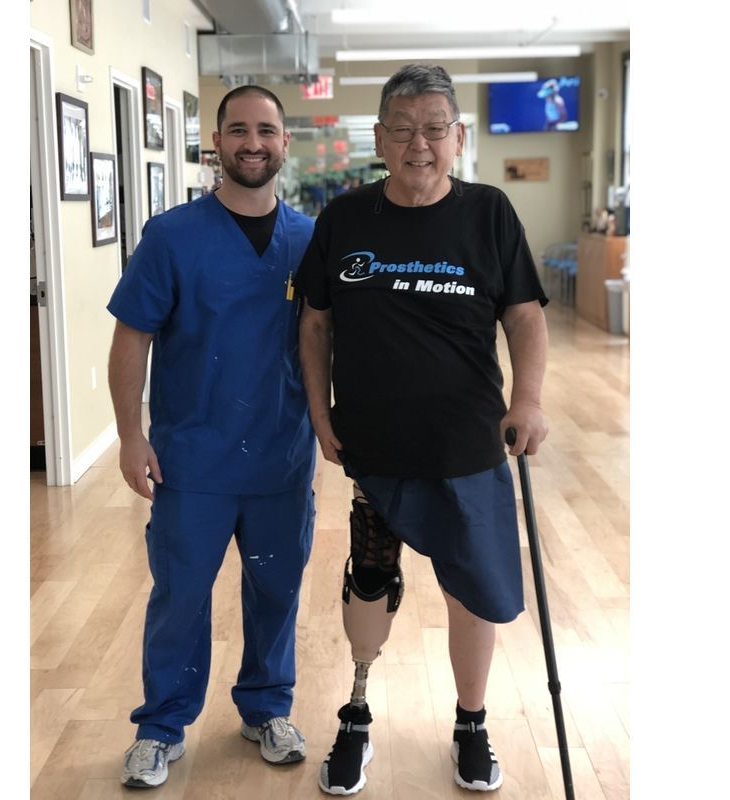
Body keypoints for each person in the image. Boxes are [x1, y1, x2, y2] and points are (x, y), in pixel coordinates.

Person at [295, 64, 549, 795]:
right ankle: (358, 708)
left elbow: (526, 315)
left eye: (435, 129)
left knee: (471, 590)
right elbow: (314, 321)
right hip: (373, 445)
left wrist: (527, 399)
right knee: (369, 580)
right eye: (402, 130)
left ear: (458, 137)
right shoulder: (343, 218)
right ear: (378, 137)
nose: (419, 145)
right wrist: (319, 409)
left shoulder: (490, 212)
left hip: (468, 445)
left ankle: (471, 720)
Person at [107, 85, 316, 789]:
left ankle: (266, 707)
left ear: (285, 143)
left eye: (266, 130)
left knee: (277, 592)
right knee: (181, 595)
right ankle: (161, 725)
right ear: (216, 144)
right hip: (191, 458)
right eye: (237, 130)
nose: (252, 142)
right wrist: (129, 437)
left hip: (282, 457)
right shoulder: (171, 237)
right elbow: (132, 335)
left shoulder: (310, 241)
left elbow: (335, 340)